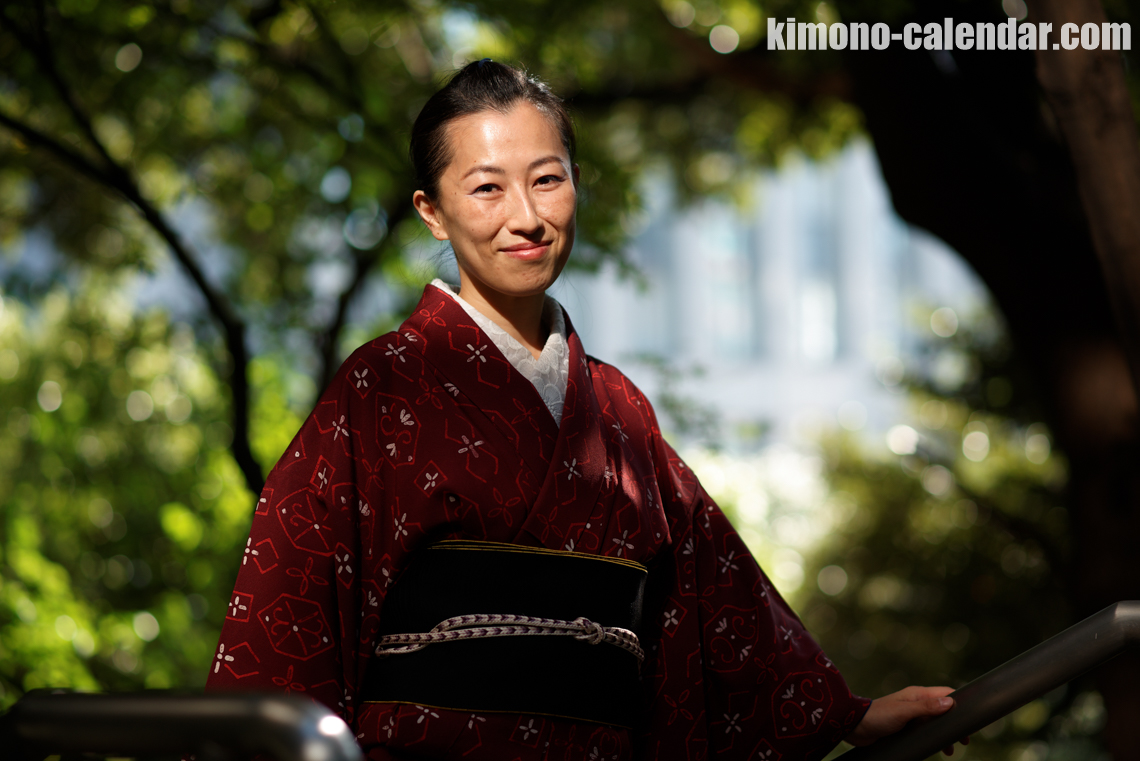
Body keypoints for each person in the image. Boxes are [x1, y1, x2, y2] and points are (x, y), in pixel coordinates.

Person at [206, 59, 963, 760]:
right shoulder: (380, 387)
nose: (527, 217)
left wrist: (839, 713)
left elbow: (713, 601)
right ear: (431, 211)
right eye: (487, 188)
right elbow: (292, 614)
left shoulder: (621, 411)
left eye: (548, 179)